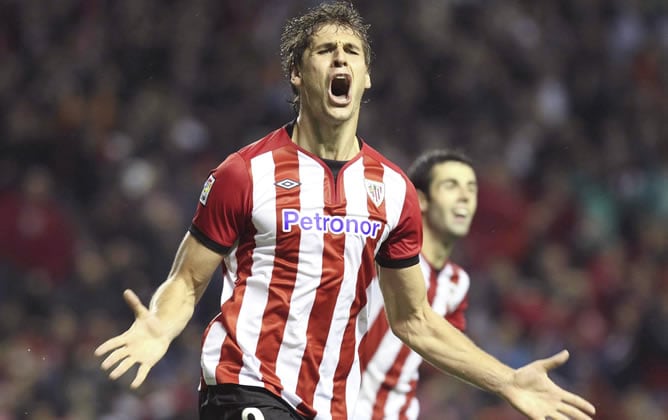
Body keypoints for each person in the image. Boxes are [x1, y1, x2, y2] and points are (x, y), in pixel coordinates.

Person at [94, 2, 596, 419]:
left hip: (333, 405)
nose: (341, 59)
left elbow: (414, 319)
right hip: (244, 388)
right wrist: (159, 325)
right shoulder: (244, 173)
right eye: (325, 50)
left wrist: (507, 380)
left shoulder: (393, 190)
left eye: (352, 51)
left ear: (366, 77)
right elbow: (188, 280)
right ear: (297, 72)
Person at [355, 149, 476, 419]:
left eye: (471, 188)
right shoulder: (377, 251)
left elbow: (445, 357)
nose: (466, 197)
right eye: (451, 186)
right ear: (420, 199)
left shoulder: (458, 283)